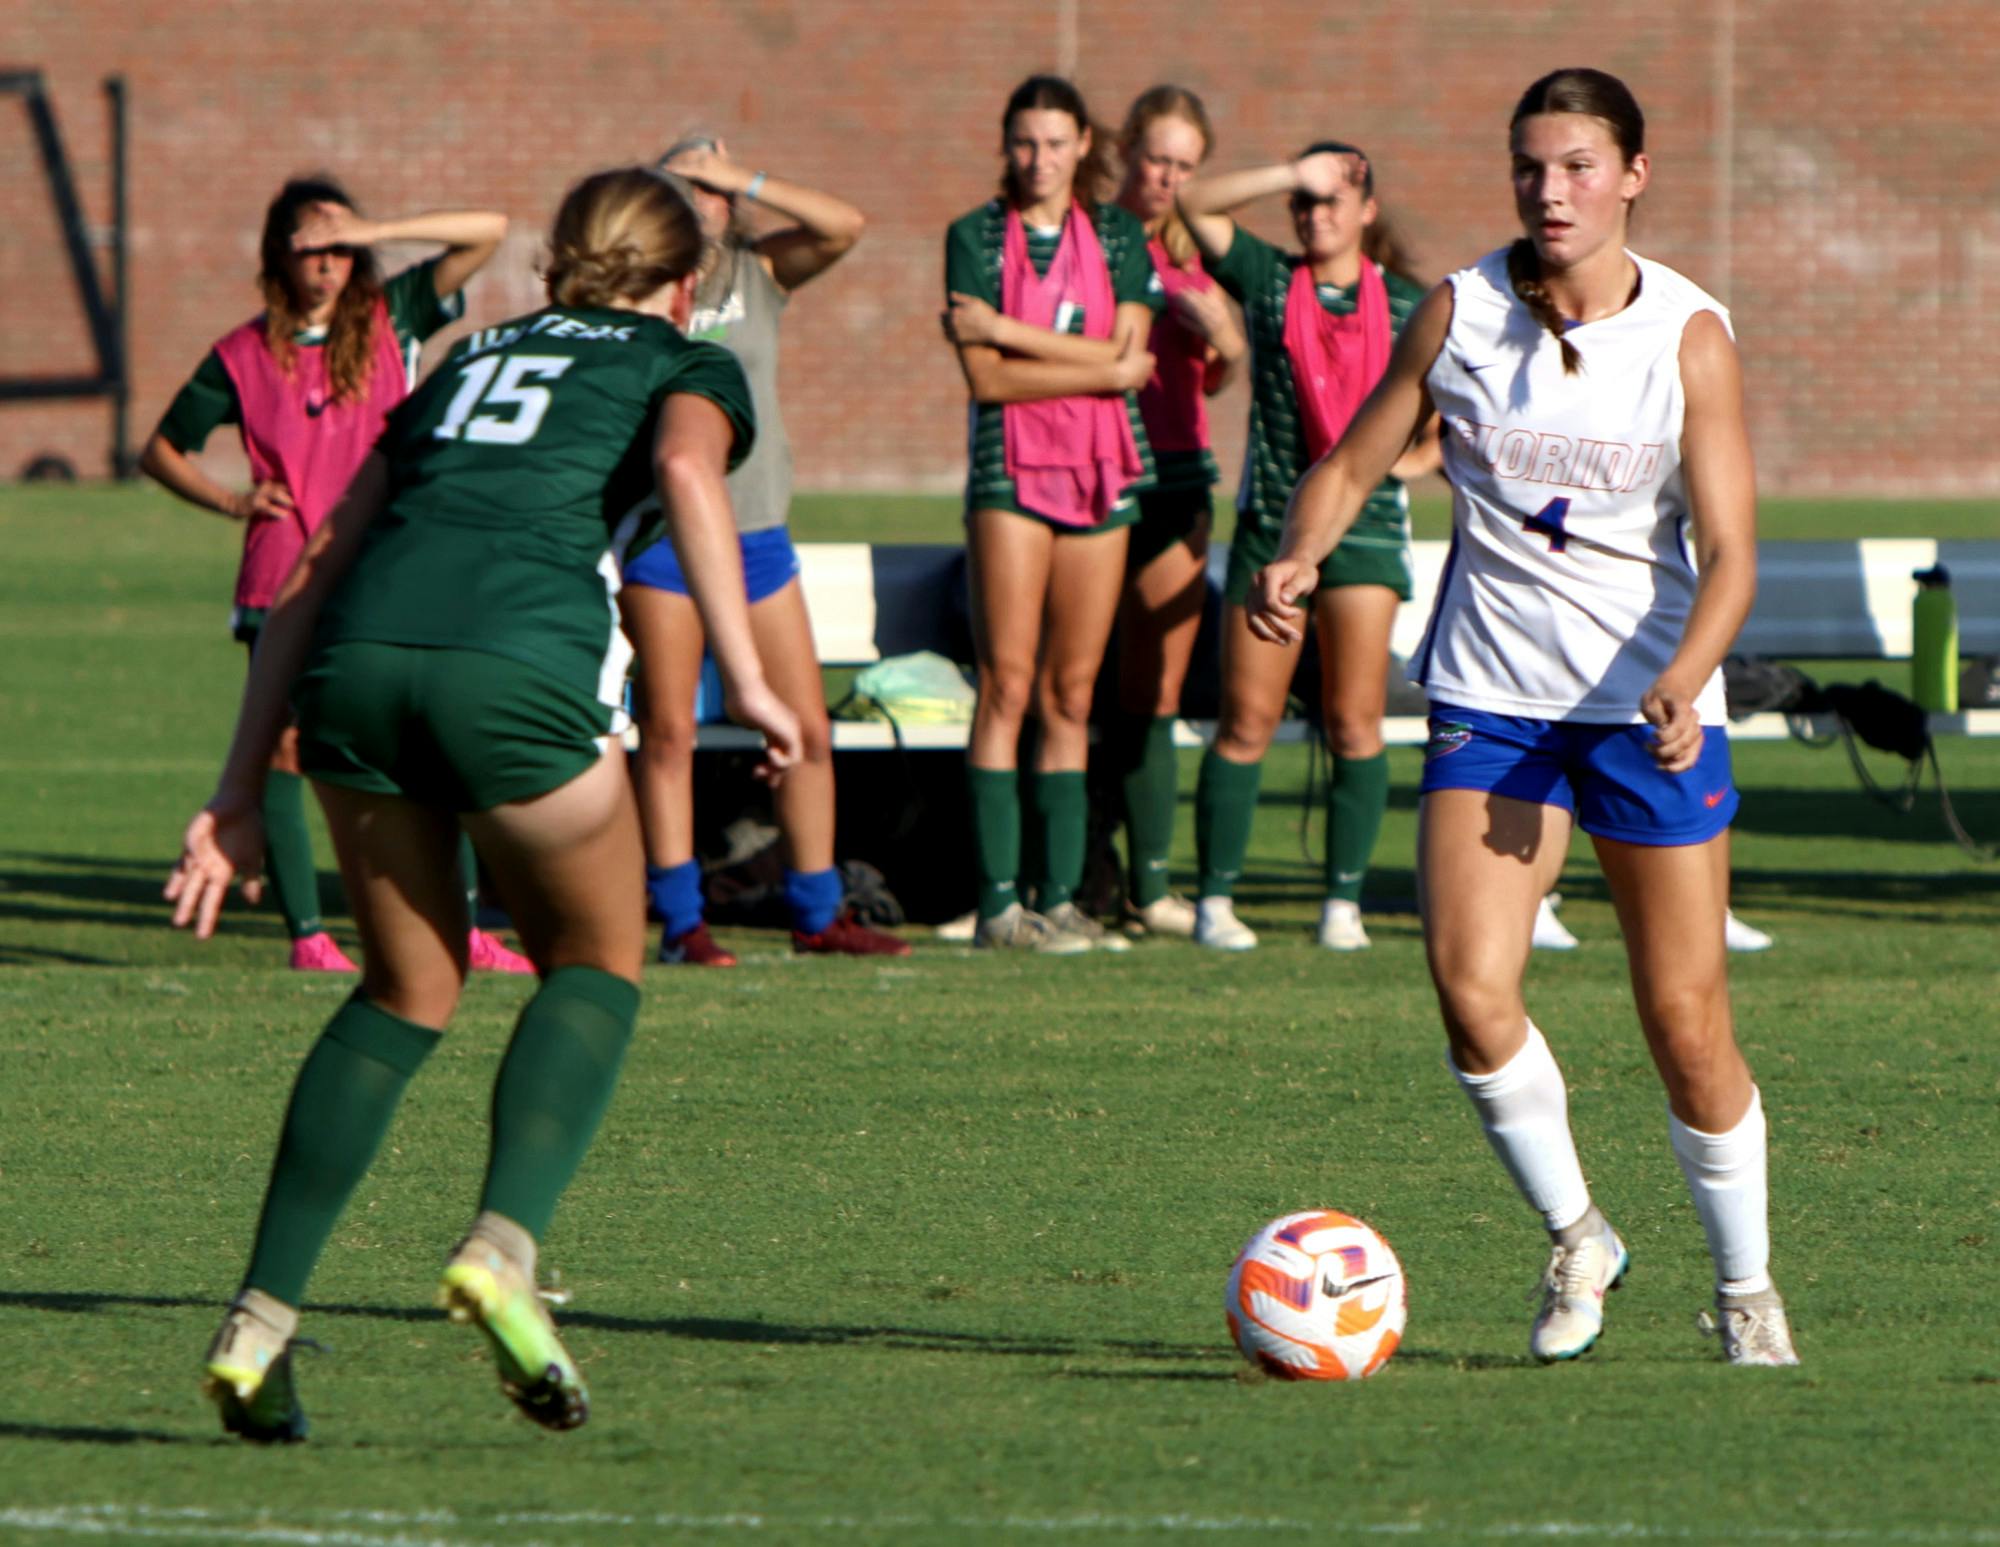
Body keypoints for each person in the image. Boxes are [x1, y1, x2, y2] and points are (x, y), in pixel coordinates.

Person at [166, 166, 803, 1441]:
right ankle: (503, 1246)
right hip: (513, 668)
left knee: (406, 989)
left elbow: (317, 561)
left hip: (355, 669)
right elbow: (687, 472)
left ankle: (258, 1319)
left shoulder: (468, 355)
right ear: (687, 283)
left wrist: (238, 790)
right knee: (596, 961)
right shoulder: (683, 359)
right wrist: (751, 674)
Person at [1248, 68, 1799, 1366]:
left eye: (1579, 166)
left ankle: (1747, 1286)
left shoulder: (1688, 335)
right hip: (1493, 700)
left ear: (1633, 176)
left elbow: (1730, 554)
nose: (1551, 192)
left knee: (1684, 1016)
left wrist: (1687, 674)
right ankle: (1578, 1232)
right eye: (1530, 168)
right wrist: (1298, 553)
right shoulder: (1462, 309)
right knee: (1470, 986)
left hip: (1644, 709)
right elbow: (1350, 458)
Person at [142, 179, 532, 975]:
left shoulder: (397, 315)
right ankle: (310, 938)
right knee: (285, 748)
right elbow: (161, 447)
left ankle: (464, 932)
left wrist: (377, 225)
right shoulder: (242, 354)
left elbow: (487, 231)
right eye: (310, 247)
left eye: (340, 248)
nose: (327, 264)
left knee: (430, 740)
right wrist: (231, 500)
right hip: (282, 573)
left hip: (390, 565)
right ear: (277, 256)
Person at [618, 136, 907, 966]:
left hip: (756, 539)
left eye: (714, 186)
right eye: (686, 182)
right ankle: (681, 923)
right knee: (669, 730)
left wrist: (741, 175)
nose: (705, 200)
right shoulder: (640, 288)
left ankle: (819, 911)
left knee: (807, 728)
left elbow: (845, 225)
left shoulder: (757, 272)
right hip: (665, 542)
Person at [1177, 140, 1438, 953]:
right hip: (1274, 528)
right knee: (1247, 720)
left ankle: (1343, 906)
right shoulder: (1267, 282)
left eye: (1333, 199)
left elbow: (1444, 425)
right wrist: (1294, 171)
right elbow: (1195, 207)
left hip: (1367, 533)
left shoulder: (1407, 303)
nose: (1315, 214)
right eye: (1305, 203)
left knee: (1355, 723)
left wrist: (1416, 461)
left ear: (1367, 210)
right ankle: (1215, 903)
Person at [942, 74, 1161, 954]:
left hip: (1102, 472)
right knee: (1008, 684)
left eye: (1056, 143)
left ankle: (1060, 900)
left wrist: (1008, 328)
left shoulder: (1117, 235)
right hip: (1009, 474)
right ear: (1007, 146)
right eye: (1025, 143)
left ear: (1083, 148)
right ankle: (1000, 905)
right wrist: (1099, 368)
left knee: (1074, 692)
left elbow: (1133, 359)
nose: (1039, 160)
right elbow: (986, 380)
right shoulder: (973, 237)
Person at [1106, 86, 1247, 939]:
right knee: (1070, 682)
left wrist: (1226, 340)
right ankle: (1070, 876)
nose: (1167, 177)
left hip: (1179, 476)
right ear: (1126, 150)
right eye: (1156, 158)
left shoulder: (1203, 250)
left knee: (1154, 684)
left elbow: (1219, 375)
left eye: (1187, 166)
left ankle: (1150, 887)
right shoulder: (1090, 235)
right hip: (1091, 473)